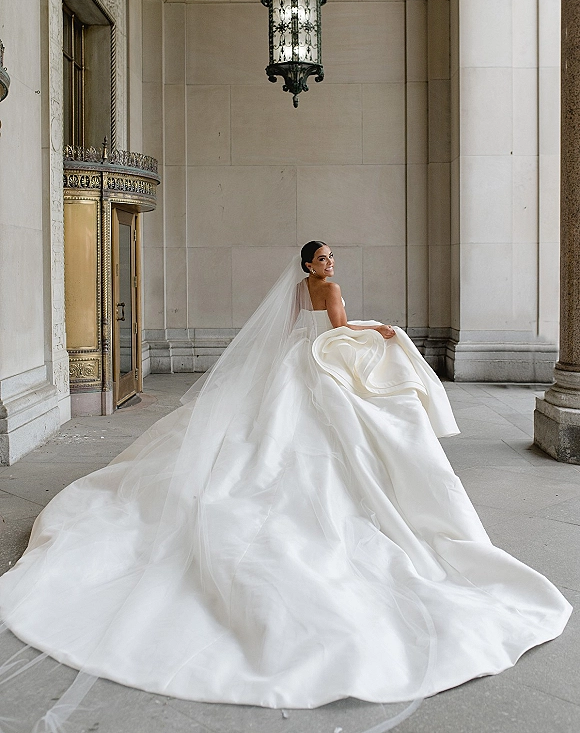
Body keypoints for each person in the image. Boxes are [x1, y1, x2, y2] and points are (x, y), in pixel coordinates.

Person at [0, 243, 572, 732]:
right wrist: (384, 329)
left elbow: (291, 330)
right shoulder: (330, 288)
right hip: (315, 365)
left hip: (291, 364)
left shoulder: (297, 289)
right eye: (322, 257)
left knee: (265, 436)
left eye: (329, 257)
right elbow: (342, 329)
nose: (328, 263)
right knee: (332, 441)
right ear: (311, 264)